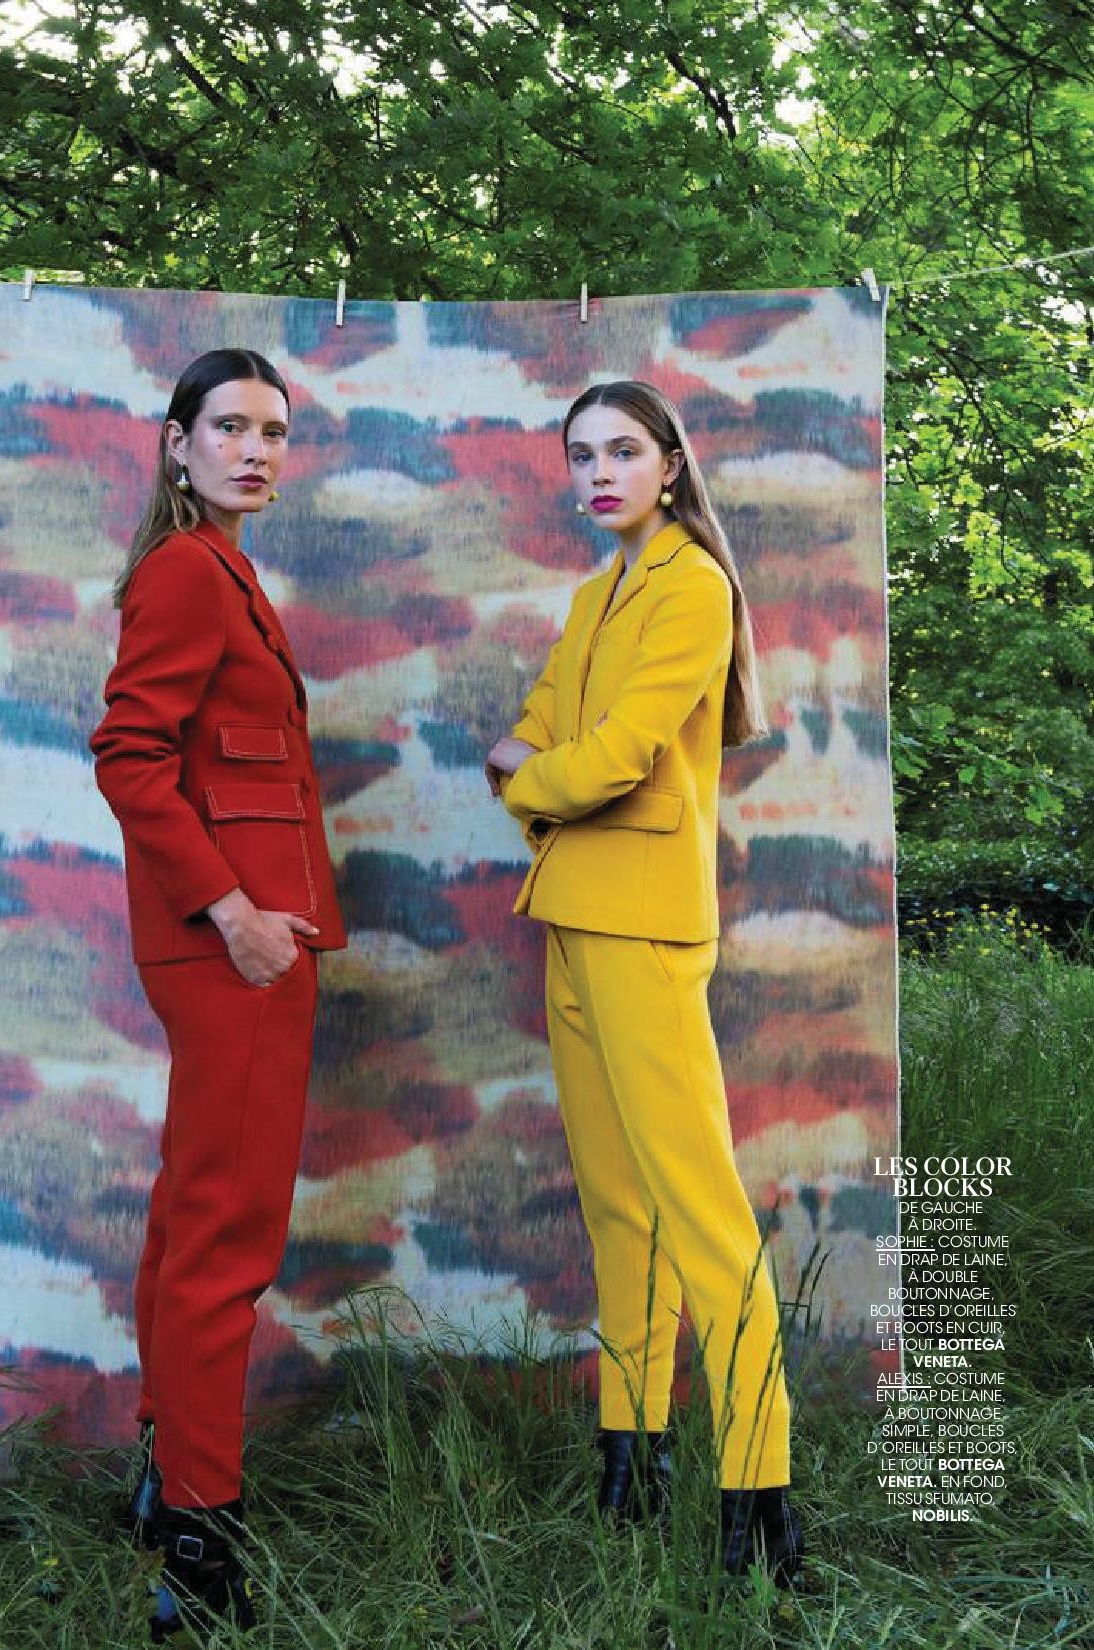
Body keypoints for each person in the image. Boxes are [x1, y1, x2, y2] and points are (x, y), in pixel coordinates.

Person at [485, 380, 803, 1585]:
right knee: (619, 1211)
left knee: (705, 1218)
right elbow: (539, 728)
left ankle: (760, 1499)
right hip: (570, 915)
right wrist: (543, 768)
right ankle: (632, 1457)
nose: (599, 474)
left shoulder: (694, 587)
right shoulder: (593, 595)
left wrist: (532, 776)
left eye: (622, 451)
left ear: (670, 465)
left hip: (648, 931)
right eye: (581, 456)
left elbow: (609, 757)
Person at [90, 348, 347, 1637]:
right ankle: (200, 1545)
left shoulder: (217, 568)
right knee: (224, 1238)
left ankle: (162, 1473)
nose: (255, 450)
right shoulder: (190, 571)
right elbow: (128, 755)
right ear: (177, 442)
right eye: (231, 427)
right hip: (231, 948)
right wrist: (234, 913)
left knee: (192, 1214)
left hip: (241, 943)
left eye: (273, 432)